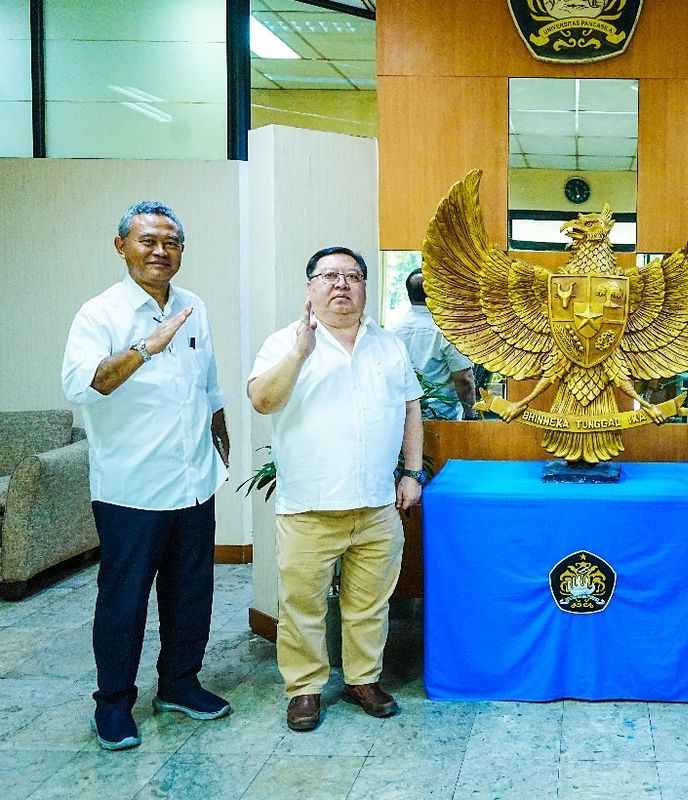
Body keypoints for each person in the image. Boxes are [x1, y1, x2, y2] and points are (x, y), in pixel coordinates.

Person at [62, 201, 232, 751]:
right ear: (121, 247)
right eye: (147, 241)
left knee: (190, 593)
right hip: (131, 489)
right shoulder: (100, 314)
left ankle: (179, 683)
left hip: (193, 481)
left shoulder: (194, 306)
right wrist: (144, 348)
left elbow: (207, 383)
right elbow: (86, 384)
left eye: (172, 242)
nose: (160, 251)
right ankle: (113, 703)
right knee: (124, 600)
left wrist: (220, 439)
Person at [248, 246, 424, 733]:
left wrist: (412, 473)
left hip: (376, 505)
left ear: (366, 287)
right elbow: (262, 400)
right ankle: (304, 689)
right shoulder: (284, 342)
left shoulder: (389, 345)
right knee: (301, 606)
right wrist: (301, 353)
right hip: (309, 507)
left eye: (352, 276)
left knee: (369, 603)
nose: (341, 285)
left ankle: (362, 680)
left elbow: (411, 409)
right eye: (329, 275)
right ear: (310, 287)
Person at [394, 269, 478, 420]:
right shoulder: (448, 330)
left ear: (409, 294)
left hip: (404, 420)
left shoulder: (394, 331)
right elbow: (464, 379)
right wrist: (471, 415)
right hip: (444, 421)